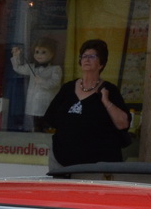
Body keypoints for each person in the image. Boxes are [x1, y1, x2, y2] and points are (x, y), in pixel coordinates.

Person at [40, 39, 132, 168]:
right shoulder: (68, 88)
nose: (87, 59)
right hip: (62, 159)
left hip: (97, 164)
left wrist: (106, 102)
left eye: (92, 56)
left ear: (101, 64)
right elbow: (50, 118)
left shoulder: (109, 90)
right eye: (84, 56)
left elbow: (123, 124)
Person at [10, 38, 63, 132]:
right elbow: (18, 68)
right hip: (34, 105)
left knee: (48, 126)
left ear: (52, 54)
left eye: (43, 52)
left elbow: (54, 83)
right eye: (37, 52)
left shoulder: (56, 69)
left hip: (47, 105)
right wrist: (16, 56)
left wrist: (41, 81)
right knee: (36, 126)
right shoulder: (32, 67)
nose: (39, 55)